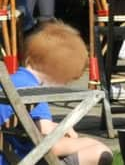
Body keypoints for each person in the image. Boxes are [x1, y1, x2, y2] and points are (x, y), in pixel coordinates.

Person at [0, 21, 113, 165]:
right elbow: (51, 146)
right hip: (21, 160)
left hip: (8, 156)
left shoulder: (12, 82)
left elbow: (34, 127)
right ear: (59, 70)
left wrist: (60, 128)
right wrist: (87, 142)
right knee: (100, 152)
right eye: (67, 79)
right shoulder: (32, 93)